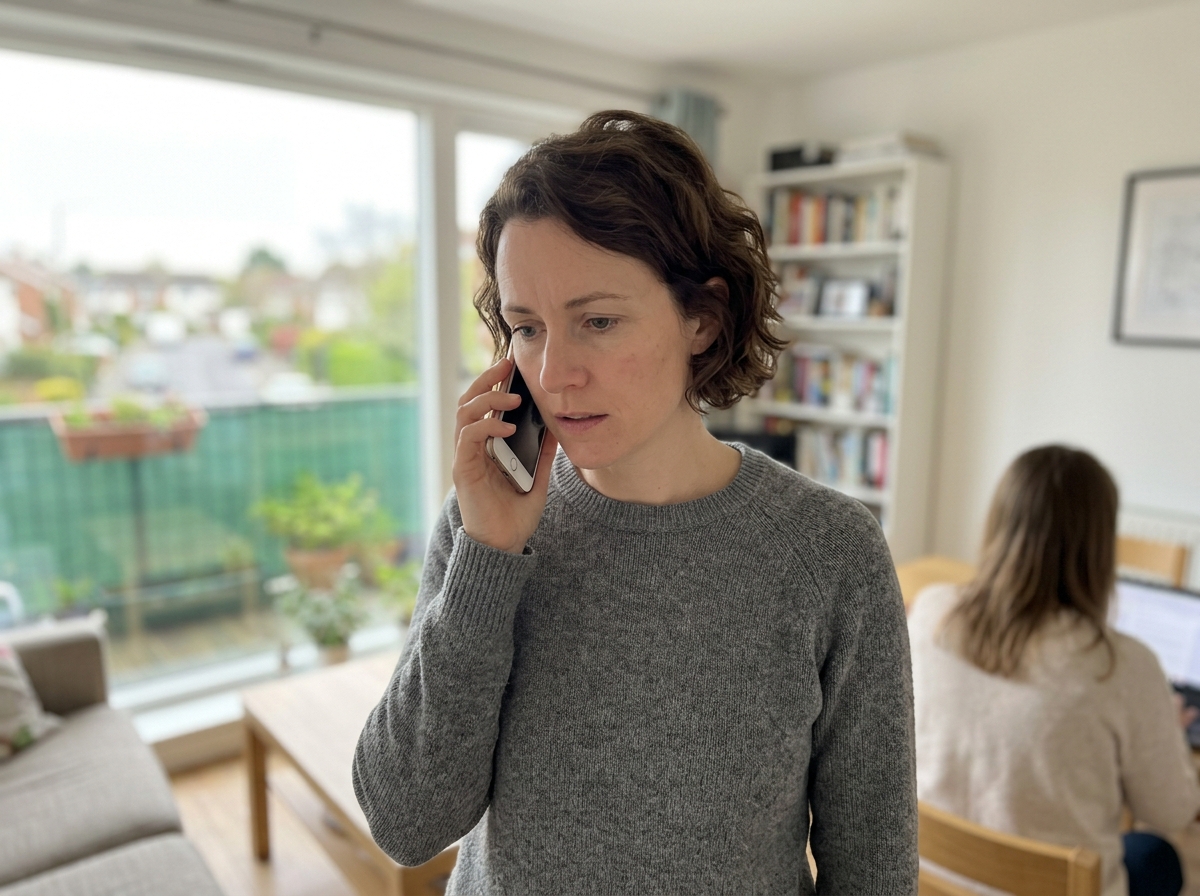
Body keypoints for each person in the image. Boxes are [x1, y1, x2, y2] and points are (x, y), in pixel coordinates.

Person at [352, 110, 916, 894]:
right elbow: (406, 823)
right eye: (526, 327)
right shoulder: (485, 523)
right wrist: (486, 558)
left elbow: (874, 870)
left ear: (702, 316)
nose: (553, 373)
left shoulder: (830, 554)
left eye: (598, 321)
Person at [909, 445, 1200, 896]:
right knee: (1157, 856)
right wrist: (1172, 733)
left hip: (932, 872)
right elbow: (1173, 811)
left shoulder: (931, 614)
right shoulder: (1122, 667)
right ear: (1102, 547)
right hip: (1052, 886)